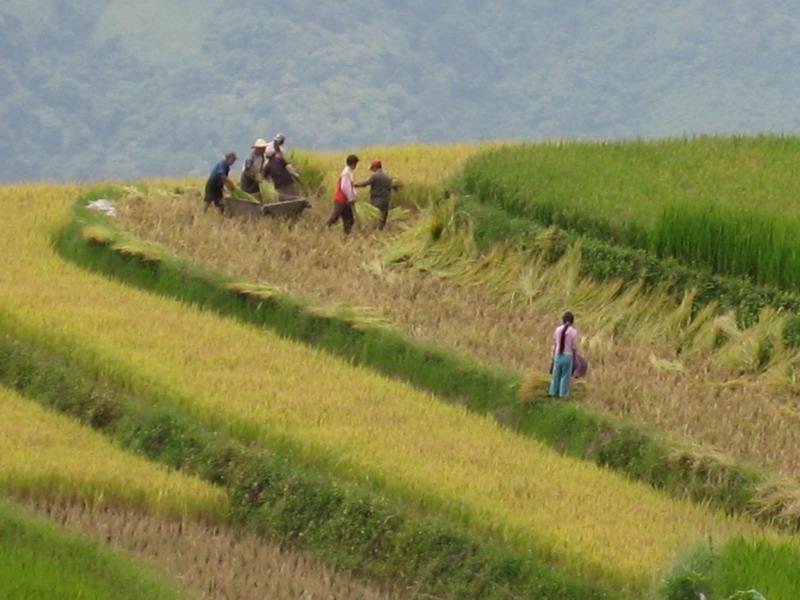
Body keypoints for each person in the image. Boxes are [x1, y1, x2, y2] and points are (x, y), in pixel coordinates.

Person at [355, 160, 400, 230]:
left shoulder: (374, 176)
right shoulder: (388, 177)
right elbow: (394, 186)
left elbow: (366, 183)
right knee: (383, 218)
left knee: (375, 217)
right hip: (386, 200)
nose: (372, 170)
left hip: (377, 200)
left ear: (375, 167)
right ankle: (380, 230)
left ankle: (375, 231)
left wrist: (355, 185)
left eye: (372, 168)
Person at [326, 154, 359, 235]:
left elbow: (350, 187)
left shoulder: (348, 172)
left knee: (349, 219)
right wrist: (351, 199)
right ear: (353, 164)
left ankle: (346, 235)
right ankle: (324, 228)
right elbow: (345, 187)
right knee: (335, 217)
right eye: (356, 164)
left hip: (345, 200)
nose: (356, 166)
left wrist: (353, 197)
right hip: (341, 200)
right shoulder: (346, 173)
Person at [263, 133, 301, 202]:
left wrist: (270, 181)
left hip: (279, 183)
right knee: (292, 196)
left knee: (285, 197)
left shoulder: (280, 153)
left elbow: (265, 176)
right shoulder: (270, 150)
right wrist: (296, 175)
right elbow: (288, 166)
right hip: (285, 181)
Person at [549, 312, 579, 398]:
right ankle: (562, 395)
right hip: (568, 356)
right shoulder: (573, 332)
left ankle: (553, 393)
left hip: (558, 354)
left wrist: (553, 355)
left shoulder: (557, 329)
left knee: (555, 375)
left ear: (563, 320)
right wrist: (575, 358)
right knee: (565, 377)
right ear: (572, 321)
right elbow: (574, 347)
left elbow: (555, 344)